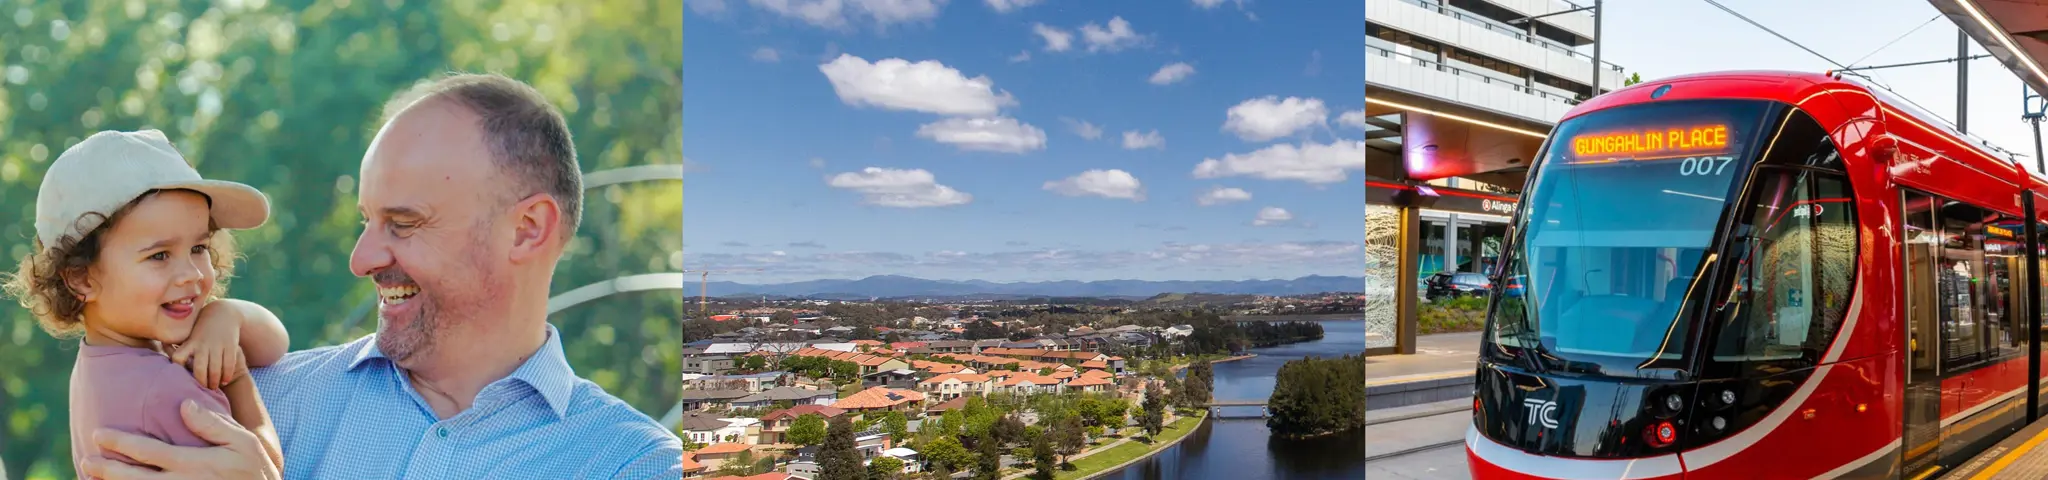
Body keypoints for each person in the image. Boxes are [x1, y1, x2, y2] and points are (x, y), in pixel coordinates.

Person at [79, 73, 685, 479]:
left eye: (404, 222)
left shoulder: (633, 465)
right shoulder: (244, 400)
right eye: (366, 221)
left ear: (527, 229)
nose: (361, 258)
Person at [0, 130, 292, 477]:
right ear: (81, 278)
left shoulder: (99, 366)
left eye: (198, 248)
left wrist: (226, 314)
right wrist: (237, 379)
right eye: (159, 255)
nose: (192, 274)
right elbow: (264, 467)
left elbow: (274, 344)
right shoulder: (169, 391)